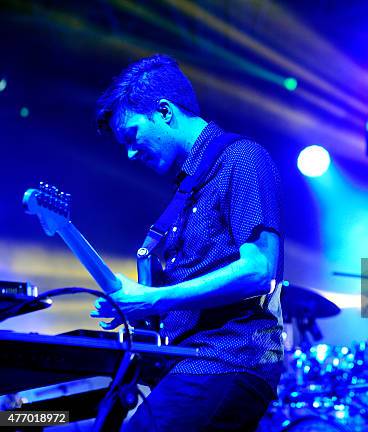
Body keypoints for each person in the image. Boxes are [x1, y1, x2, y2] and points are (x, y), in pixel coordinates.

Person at [91, 54, 283, 431]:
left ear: (164, 112)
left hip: (228, 358)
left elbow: (260, 269)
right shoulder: (186, 194)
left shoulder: (241, 159)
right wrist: (137, 307)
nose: (130, 153)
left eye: (132, 136)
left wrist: (154, 298)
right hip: (189, 361)